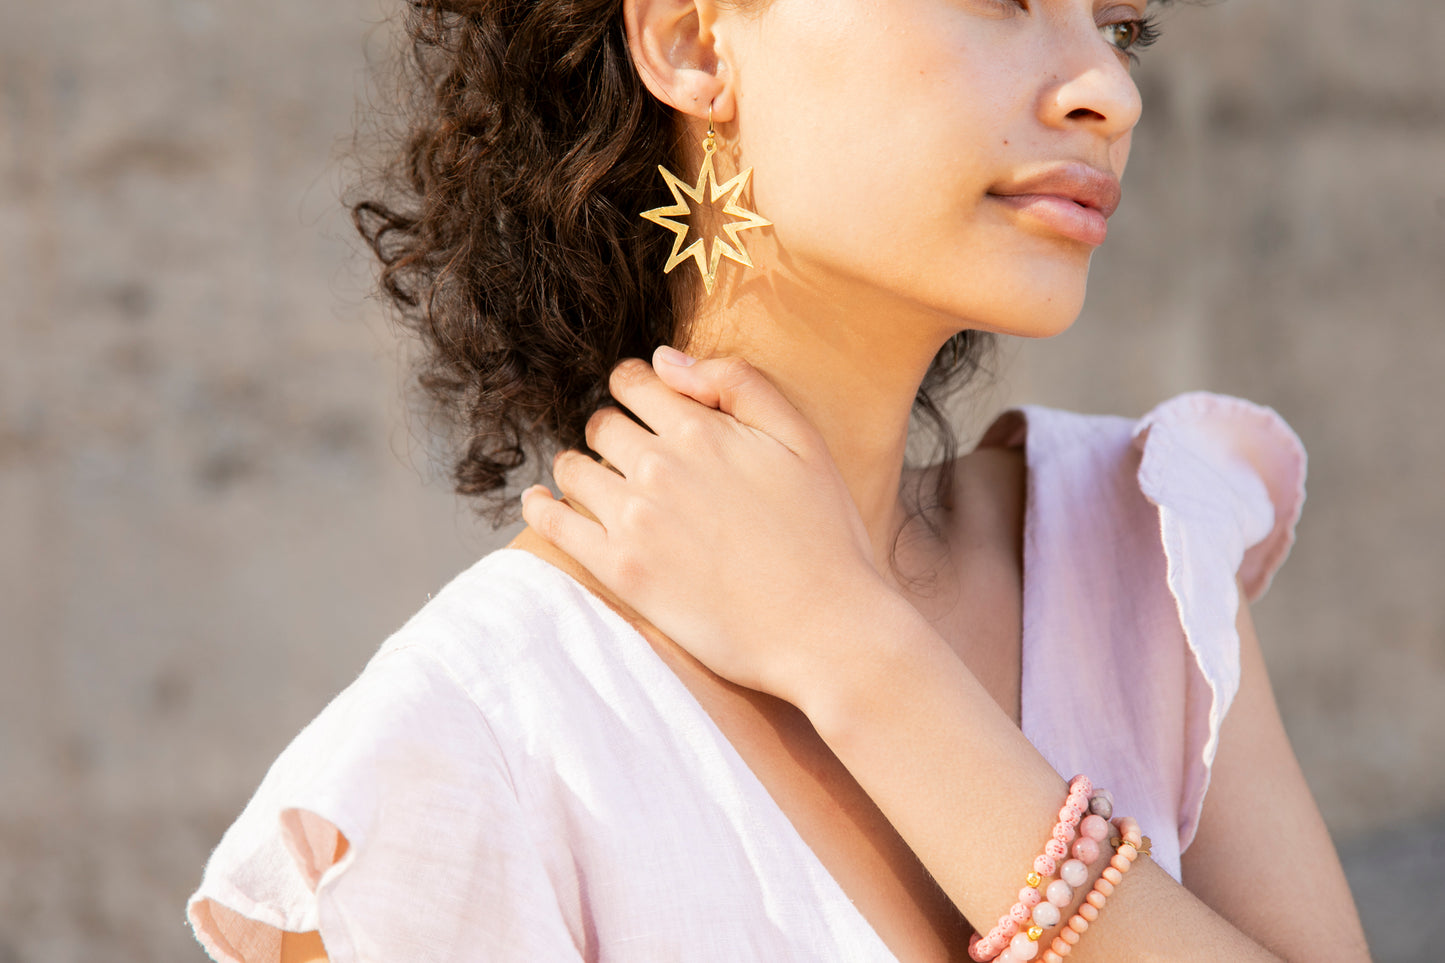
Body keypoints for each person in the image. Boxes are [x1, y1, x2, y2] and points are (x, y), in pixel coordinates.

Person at [187, 0, 1372, 960]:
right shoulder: (461, 763)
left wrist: (857, 656)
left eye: (1120, 24)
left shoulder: (1138, 553)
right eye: (999, 2)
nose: (1106, 93)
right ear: (697, 42)